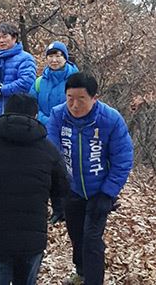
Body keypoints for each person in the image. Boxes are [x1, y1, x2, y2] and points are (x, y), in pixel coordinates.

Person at [0, 93, 70, 285]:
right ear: (35, 115)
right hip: (32, 238)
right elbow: (62, 187)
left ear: (5, 112)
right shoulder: (49, 149)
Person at [46, 72, 133, 285]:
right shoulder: (58, 115)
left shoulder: (110, 119)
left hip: (99, 191)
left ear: (95, 98)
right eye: (70, 98)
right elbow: (50, 151)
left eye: (81, 99)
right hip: (71, 189)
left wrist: (107, 193)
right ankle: (81, 273)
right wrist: (57, 185)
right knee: (76, 236)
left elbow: (123, 159)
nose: (74, 105)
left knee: (91, 240)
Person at [30, 41, 78, 225]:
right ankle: (58, 209)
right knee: (51, 171)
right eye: (50, 56)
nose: (54, 59)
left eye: (58, 55)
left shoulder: (75, 79)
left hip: (69, 131)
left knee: (70, 171)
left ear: (65, 57)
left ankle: (71, 208)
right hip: (45, 131)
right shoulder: (40, 81)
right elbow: (32, 103)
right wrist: (45, 120)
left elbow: (78, 105)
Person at [0, 22, 36, 115]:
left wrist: (2, 90)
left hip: (20, 110)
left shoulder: (25, 58)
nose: (1, 40)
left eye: (4, 37)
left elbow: (26, 83)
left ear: (14, 38)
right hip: (1, 111)